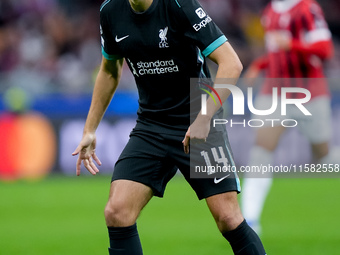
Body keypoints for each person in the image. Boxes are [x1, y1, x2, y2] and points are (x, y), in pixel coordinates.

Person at [72, 0, 266, 254]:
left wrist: (204, 118)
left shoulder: (179, 5)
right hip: (152, 123)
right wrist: (90, 129)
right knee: (117, 211)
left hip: (198, 116)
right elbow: (110, 69)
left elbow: (232, 64)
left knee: (228, 218)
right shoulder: (110, 11)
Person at [241, 0, 337, 234]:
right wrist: (260, 64)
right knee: (260, 152)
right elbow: (275, 52)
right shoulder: (270, 11)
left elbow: (326, 50)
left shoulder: (307, 9)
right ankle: (249, 221)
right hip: (275, 93)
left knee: (323, 160)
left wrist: (292, 44)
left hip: (309, 93)